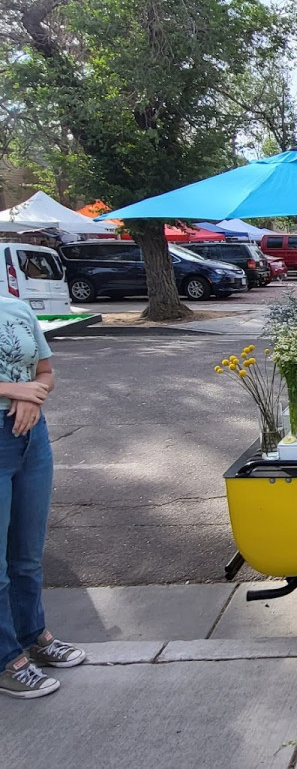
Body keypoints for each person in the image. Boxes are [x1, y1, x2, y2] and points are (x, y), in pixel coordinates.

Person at [0, 299, 84, 700]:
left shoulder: (15, 308)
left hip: (32, 436)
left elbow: (45, 372)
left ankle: (33, 637)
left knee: (27, 556)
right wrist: (9, 388)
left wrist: (32, 395)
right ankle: (5, 659)